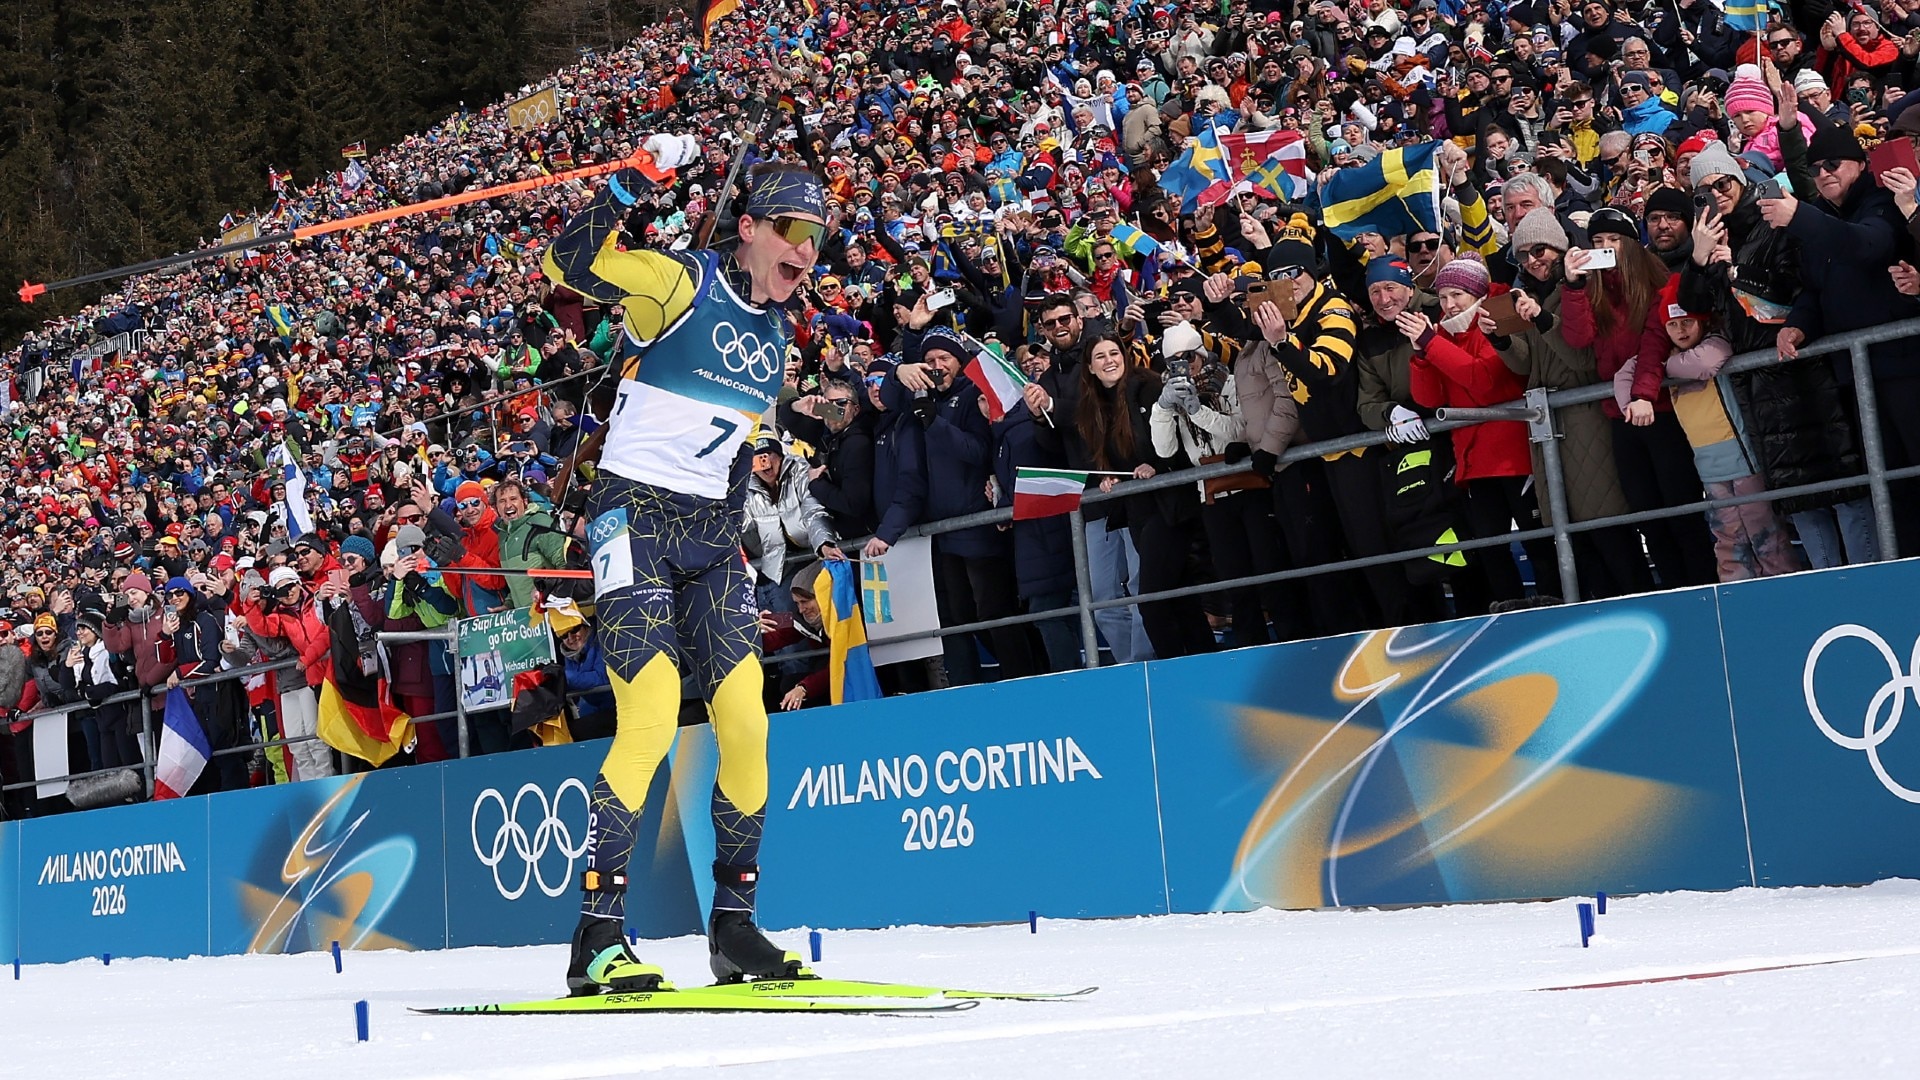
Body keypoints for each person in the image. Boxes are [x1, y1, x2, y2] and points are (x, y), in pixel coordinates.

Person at [542, 147, 824, 994]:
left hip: (708, 538)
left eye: (816, 237)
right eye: (791, 232)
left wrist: (731, 537)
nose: (806, 251)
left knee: (747, 724)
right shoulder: (680, 283)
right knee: (652, 717)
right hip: (635, 521)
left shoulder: (778, 336)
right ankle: (596, 940)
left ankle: (734, 932)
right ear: (748, 229)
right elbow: (570, 263)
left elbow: (734, 452)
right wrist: (630, 180)